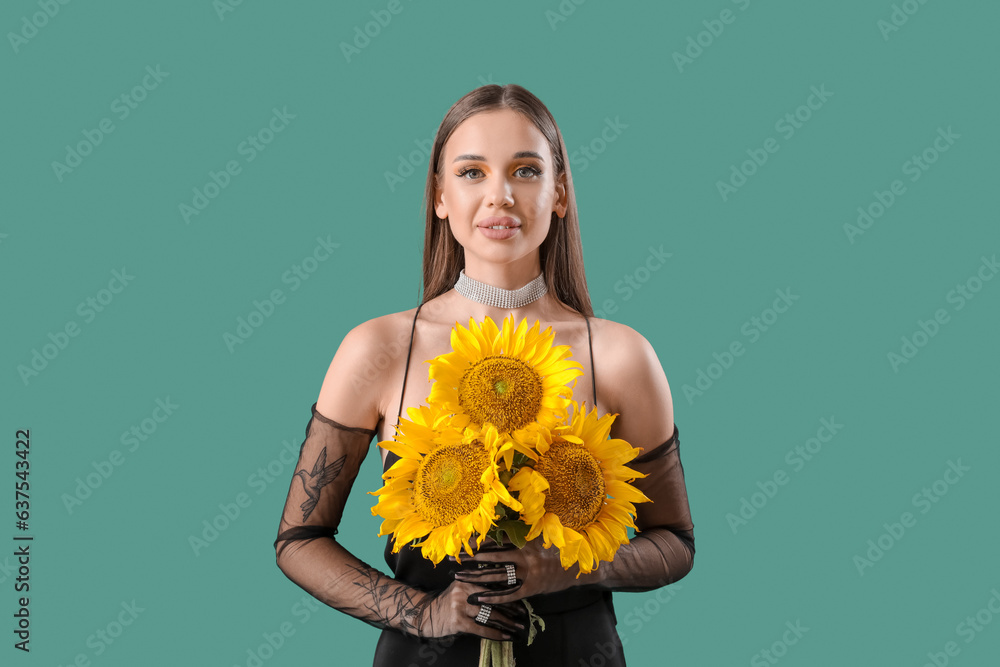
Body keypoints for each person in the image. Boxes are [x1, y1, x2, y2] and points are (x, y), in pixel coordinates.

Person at [273, 84, 695, 666]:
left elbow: (675, 543)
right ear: (439, 197)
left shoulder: (621, 356)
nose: (500, 196)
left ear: (560, 193)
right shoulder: (378, 349)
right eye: (472, 173)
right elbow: (299, 540)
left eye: (525, 170)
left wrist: (564, 566)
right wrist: (425, 613)